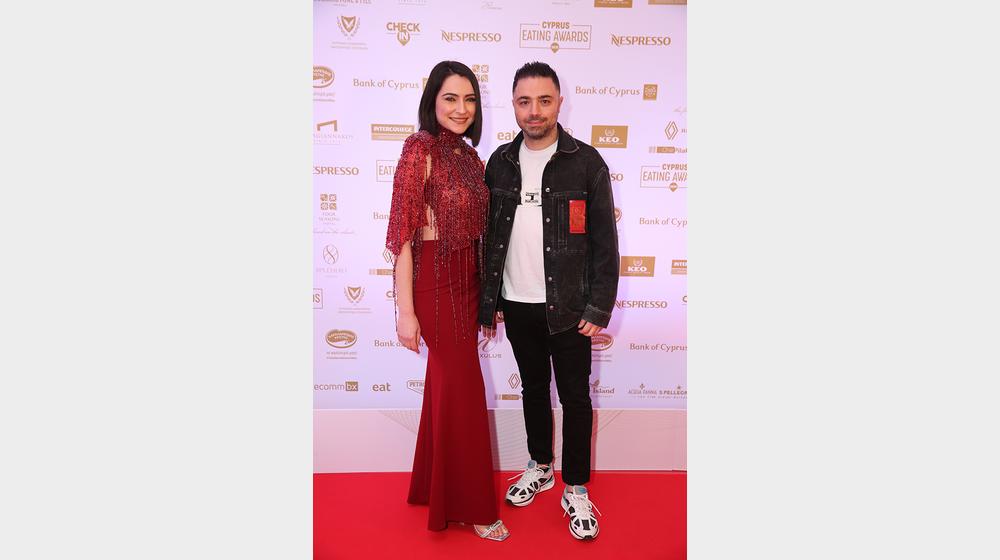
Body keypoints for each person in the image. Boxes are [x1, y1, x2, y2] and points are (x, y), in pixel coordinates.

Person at [479, 61, 619, 541]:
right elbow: (490, 238)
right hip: (517, 303)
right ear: (514, 105)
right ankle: (540, 465)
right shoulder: (499, 162)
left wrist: (598, 307)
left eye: (544, 100)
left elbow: (605, 243)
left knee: (575, 398)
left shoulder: (586, 162)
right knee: (533, 390)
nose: (534, 111)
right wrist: (491, 297)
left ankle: (575, 487)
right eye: (525, 101)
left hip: (571, 308)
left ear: (560, 102)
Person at [385, 60, 509, 542]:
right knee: (464, 393)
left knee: (446, 387)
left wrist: (488, 296)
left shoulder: (471, 158)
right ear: (432, 101)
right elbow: (403, 235)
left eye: (469, 99)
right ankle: (472, 505)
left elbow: (481, 235)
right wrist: (405, 310)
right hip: (434, 286)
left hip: (468, 282)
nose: (461, 108)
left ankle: (429, 486)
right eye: (451, 98)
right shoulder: (419, 149)